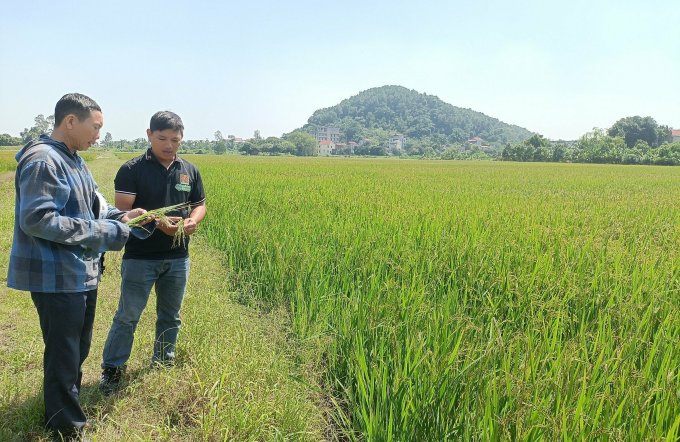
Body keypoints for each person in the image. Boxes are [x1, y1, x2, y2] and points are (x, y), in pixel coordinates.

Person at [7, 93, 147, 440]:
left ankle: (63, 409)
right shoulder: (44, 160)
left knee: (76, 349)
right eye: (95, 127)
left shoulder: (74, 160)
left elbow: (95, 207)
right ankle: (66, 427)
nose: (98, 135)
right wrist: (108, 231)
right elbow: (38, 219)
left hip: (79, 271)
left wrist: (122, 217)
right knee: (64, 351)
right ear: (71, 121)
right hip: (55, 274)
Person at [100, 111, 206, 395]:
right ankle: (112, 368)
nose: (169, 145)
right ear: (149, 135)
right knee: (128, 315)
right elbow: (123, 213)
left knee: (171, 315)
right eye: (162, 138)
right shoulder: (132, 169)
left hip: (177, 257)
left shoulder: (189, 170)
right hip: (140, 257)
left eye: (175, 139)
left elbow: (199, 204)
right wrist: (160, 223)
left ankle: (163, 362)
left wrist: (193, 220)